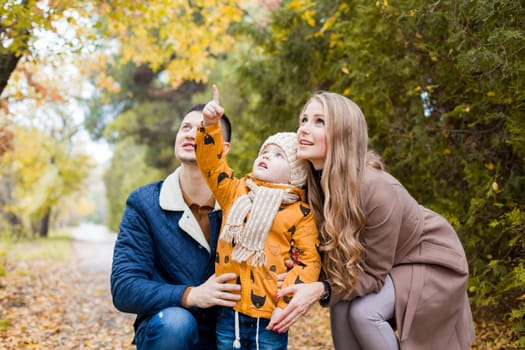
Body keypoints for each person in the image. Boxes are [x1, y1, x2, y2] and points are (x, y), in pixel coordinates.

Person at [267, 91, 475, 350]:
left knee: (364, 312)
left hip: (429, 257)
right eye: (304, 120)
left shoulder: (377, 188)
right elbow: (325, 257)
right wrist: (300, 273)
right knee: (341, 307)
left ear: (343, 134)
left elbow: (374, 275)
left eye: (319, 122)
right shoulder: (312, 186)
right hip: (388, 261)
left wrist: (320, 289)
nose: (304, 129)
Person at [195, 85, 321, 350]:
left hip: (271, 317)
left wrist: (285, 306)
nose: (266, 156)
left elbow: (307, 262)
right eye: (265, 151)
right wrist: (210, 126)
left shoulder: (300, 213)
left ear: (294, 174)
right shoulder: (234, 192)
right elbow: (212, 165)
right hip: (231, 311)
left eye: (278, 155)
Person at [110, 104, 242, 350]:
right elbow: (124, 287)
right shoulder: (144, 204)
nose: (191, 134)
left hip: (230, 331)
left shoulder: (244, 203)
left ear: (223, 149)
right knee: (176, 323)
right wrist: (191, 295)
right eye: (185, 127)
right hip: (169, 332)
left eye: (202, 128)